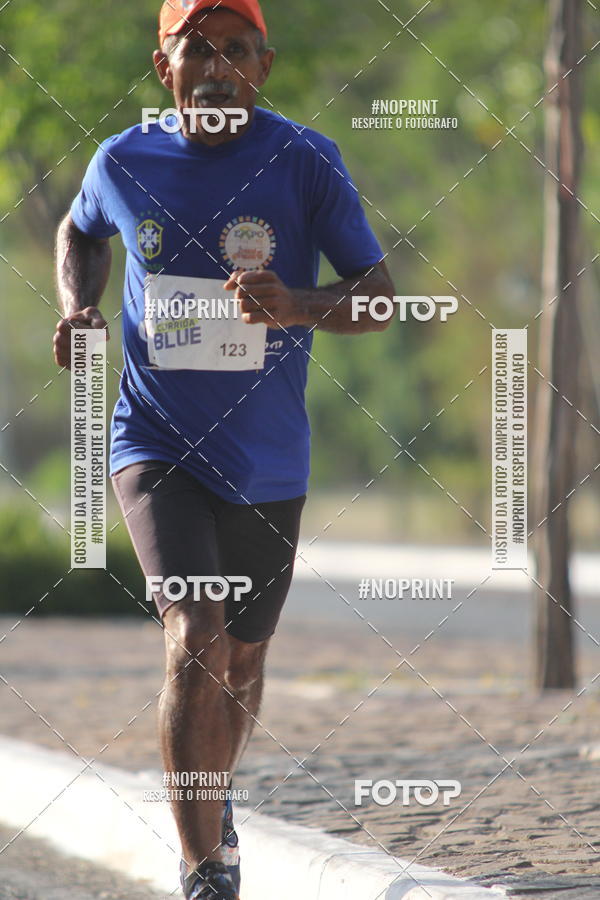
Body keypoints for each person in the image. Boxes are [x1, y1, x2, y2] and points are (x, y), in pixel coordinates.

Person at [53, 1, 394, 897]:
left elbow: (380, 296)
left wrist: (299, 305)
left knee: (242, 658)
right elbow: (79, 231)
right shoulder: (122, 160)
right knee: (195, 636)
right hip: (154, 439)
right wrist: (78, 306)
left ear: (263, 66)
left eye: (236, 51)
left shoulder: (306, 160)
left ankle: (215, 797)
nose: (216, 70)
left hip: (267, 457)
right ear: (162, 66)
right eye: (196, 50)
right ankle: (206, 866)